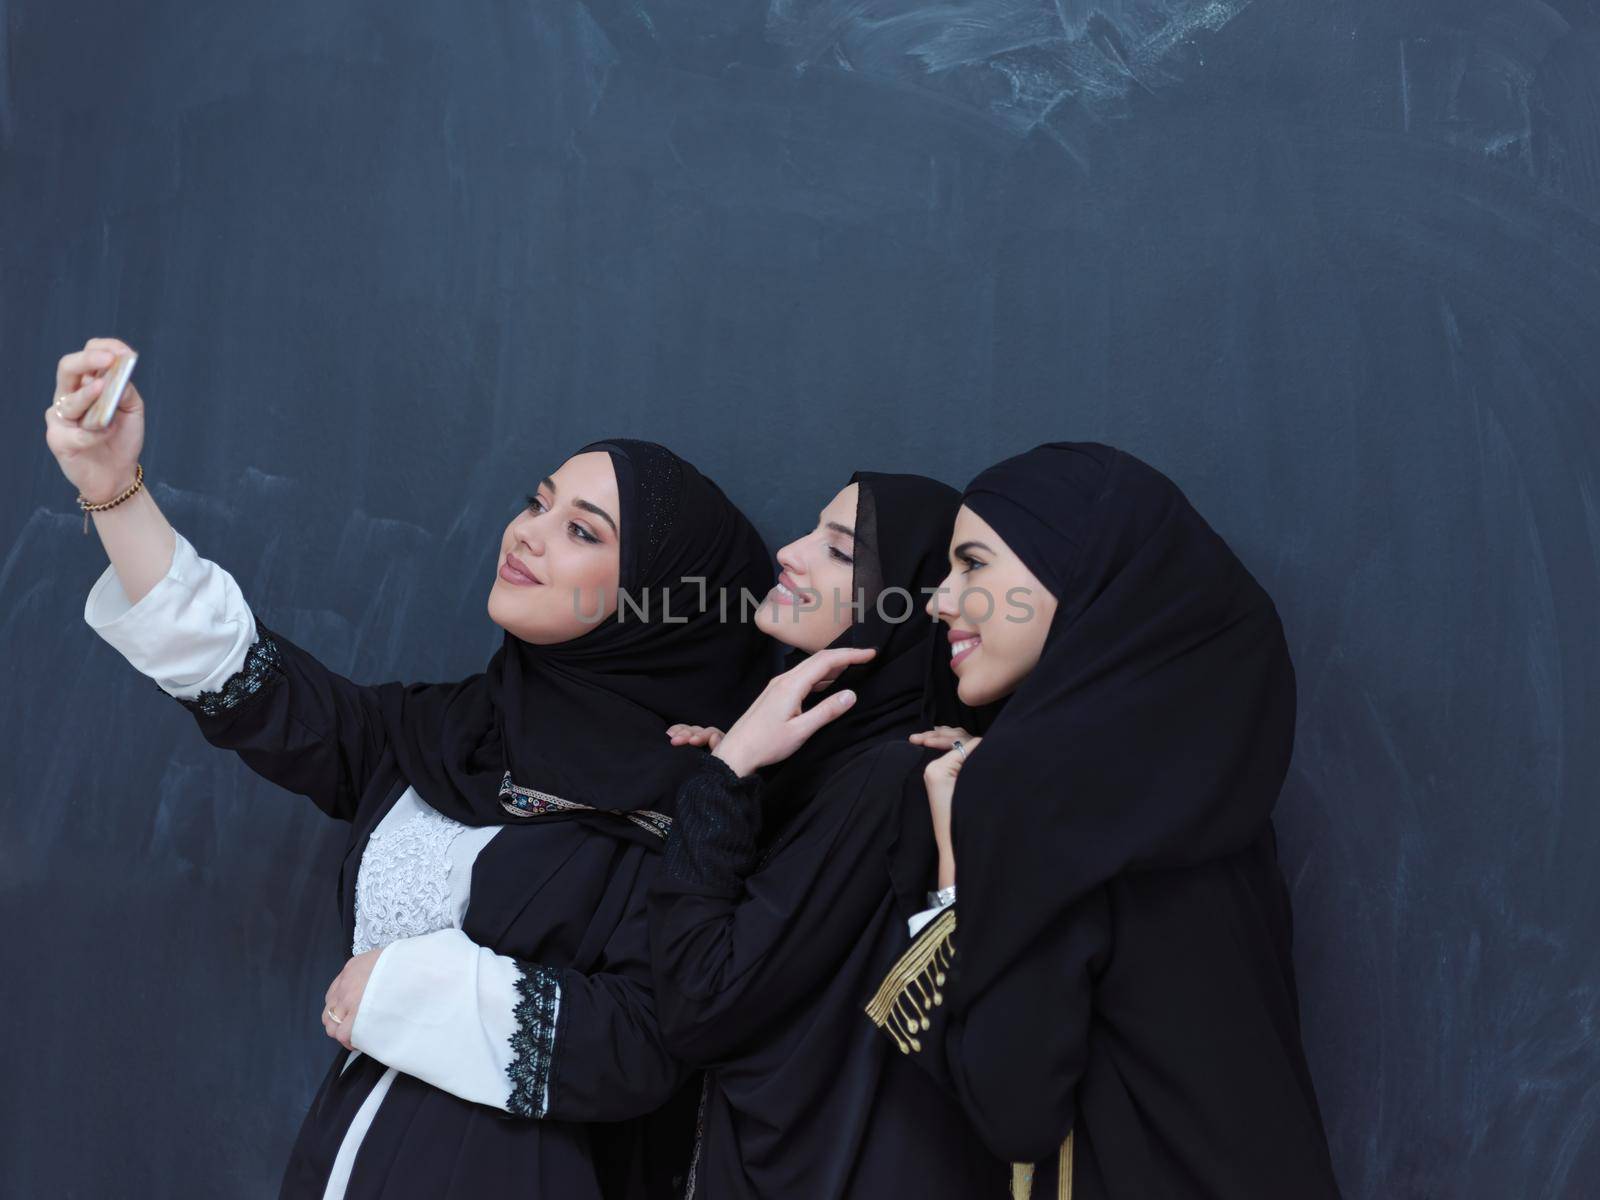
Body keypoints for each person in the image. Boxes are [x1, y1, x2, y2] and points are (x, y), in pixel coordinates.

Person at [47, 337, 779, 1199]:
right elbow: (246, 678)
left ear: (662, 602)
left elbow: (650, 1039)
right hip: (341, 1158)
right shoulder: (447, 734)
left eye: (580, 530)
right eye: (537, 503)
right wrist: (110, 488)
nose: (528, 534)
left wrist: (404, 988)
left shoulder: (687, 800)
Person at [872, 441, 1342, 1199]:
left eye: (974, 565)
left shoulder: (1030, 792)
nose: (938, 601)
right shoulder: (1200, 769)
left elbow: (1010, 1109)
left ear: (1074, 572)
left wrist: (956, 867)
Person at [647, 471, 1009, 1198]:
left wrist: (723, 782)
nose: (789, 552)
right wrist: (742, 780)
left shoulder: (892, 781)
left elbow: (703, 1002)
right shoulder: (841, 766)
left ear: (907, 601)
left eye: (841, 551)